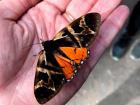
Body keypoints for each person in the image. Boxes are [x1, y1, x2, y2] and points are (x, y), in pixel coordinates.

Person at [0, 0, 129, 105]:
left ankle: (70, 68)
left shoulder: (43, 58)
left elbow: (45, 85)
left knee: (61, 71)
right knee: (73, 40)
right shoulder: (60, 38)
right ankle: (77, 59)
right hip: (73, 52)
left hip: (64, 68)